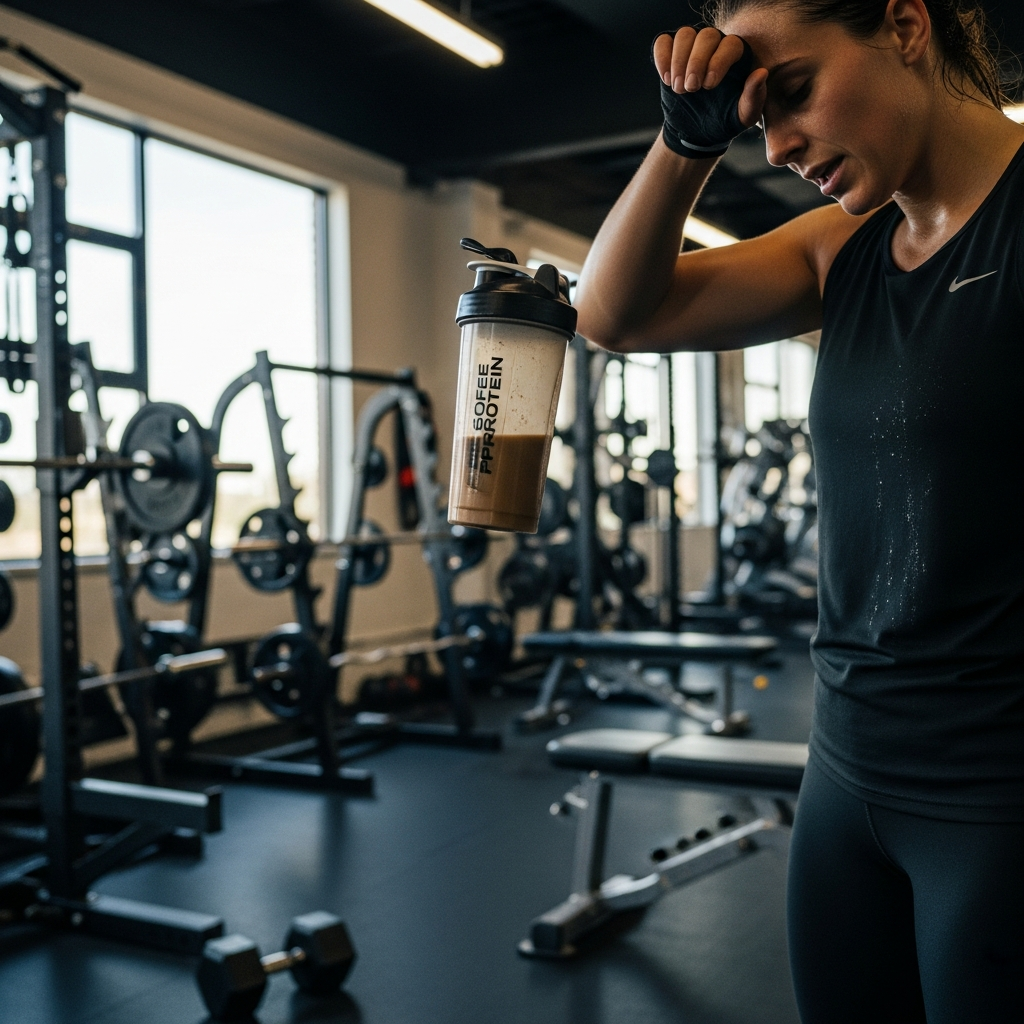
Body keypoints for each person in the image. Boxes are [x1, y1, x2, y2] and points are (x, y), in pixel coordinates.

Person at [573, 1, 1024, 1021]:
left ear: (904, 24)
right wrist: (685, 143)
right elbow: (612, 314)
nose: (774, 145)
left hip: (997, 795)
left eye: (792, 91)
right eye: (754, 114)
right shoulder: (844, 247)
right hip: (844, 777)